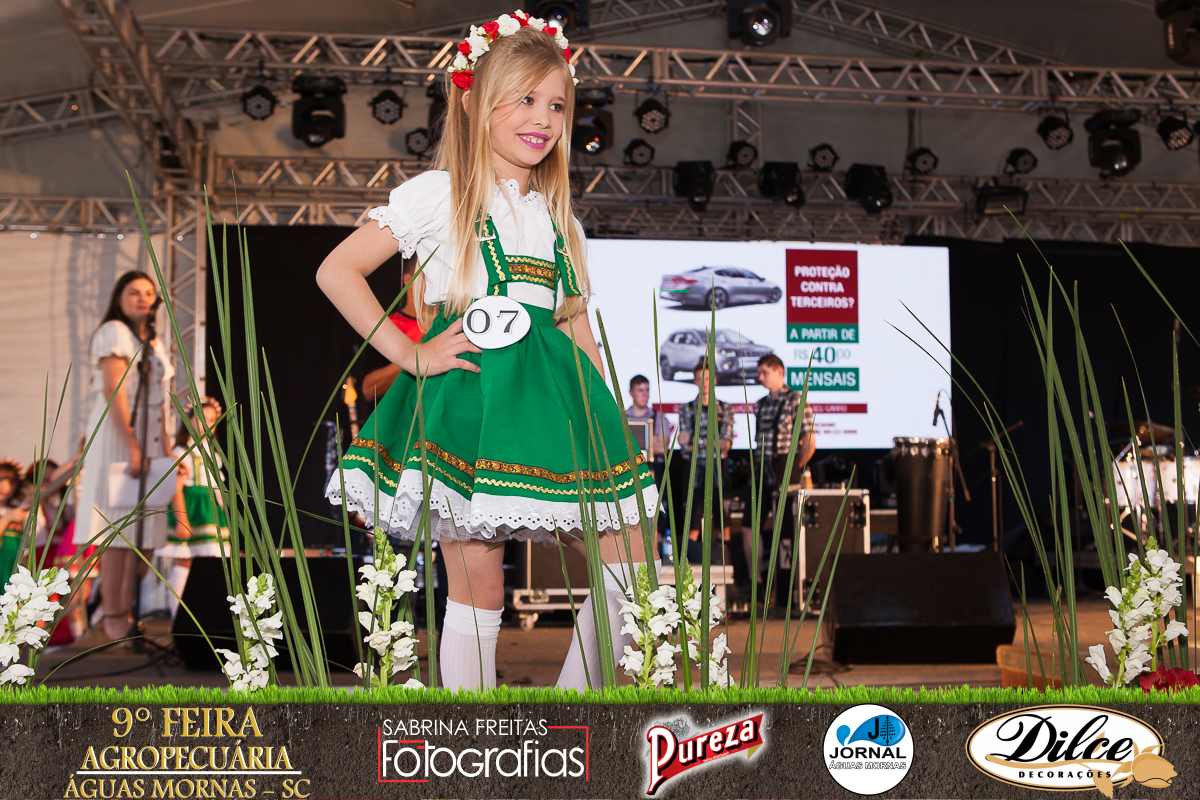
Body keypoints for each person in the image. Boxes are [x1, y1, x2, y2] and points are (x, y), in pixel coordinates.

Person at [315, 11, 659, 691]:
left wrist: (611, 420)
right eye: (525, 98)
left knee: (631, 564)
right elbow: (337, 272)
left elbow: (575, 326)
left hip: (557, 405)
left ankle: (575, 715)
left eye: (557, 104)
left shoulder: (562, 217)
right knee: (477, 583)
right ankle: (475, 745)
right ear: (474, 103)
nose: (544, 117)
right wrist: (410, 355)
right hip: (471, 397)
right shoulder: (439, 194)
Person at [74, 270, 175, 641]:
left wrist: (165, 453)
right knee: (118, 535)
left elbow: (160, 404)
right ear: (119, 297)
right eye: (134, 292)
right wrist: (132, 444)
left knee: (147, 534)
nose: (143, 298)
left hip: (150, 439)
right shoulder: (114, 333)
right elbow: (115, 390)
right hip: (120, 436)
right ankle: (115, 613)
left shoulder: (154, 342)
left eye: (149, 292)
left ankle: (119, 605)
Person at [752, 353, 815, 604]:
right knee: (750, 525)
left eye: (764, 372)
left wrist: (794, 468)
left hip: (785, 467)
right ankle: (757, 584)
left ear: (779, 372)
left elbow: (809, 441)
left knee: (785, 529)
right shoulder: (760, 404)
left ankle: (787, 590)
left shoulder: (796, 400)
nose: (760, 377)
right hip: (760, 466)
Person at [162, 397, 229, 617]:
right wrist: (182, 518)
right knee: (184, 561)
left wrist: (226, 513)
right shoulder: (181, 450)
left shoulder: (213, 453)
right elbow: (175, 487)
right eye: (201, 419)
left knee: (214, 562)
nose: (206, 424)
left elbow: (218, 489)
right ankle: (177, 617)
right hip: (190, 508)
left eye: (212, 420)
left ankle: (207, 615)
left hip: (211, 512)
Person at [676, 358, 733, 562]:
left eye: (707, 378)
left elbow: (725, 444)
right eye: (700, 378)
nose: (704, 382)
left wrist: (696, 440)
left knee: (723, 519)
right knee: (692, 520)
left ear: (715, 380)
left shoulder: (725, 408)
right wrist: (710, 441)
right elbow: (683, 444)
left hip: (718, 468)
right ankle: (691, 569)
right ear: (695, 381)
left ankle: (724, 564)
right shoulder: (687, 409)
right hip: (694, 469)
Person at [360, 254, 426, 402]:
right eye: (428, 277)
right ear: (409, 281)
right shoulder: (388, 326)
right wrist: (416, 352)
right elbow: (369, 389)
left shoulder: (451, 324)